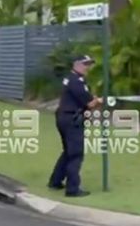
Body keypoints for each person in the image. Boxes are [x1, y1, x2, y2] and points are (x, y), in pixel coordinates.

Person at [48, 55, 103, 197]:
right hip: (72, 119)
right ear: (76, 64)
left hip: (64, 117)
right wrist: (99, 100)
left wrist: (93, 101)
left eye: (89, 64)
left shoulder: (72, 79)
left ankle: (55, 181)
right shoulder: (76, 81)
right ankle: (72, 189)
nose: (88, 67)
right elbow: (89, 103)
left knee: (68, 151)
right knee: (76, 154)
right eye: (85, 64)